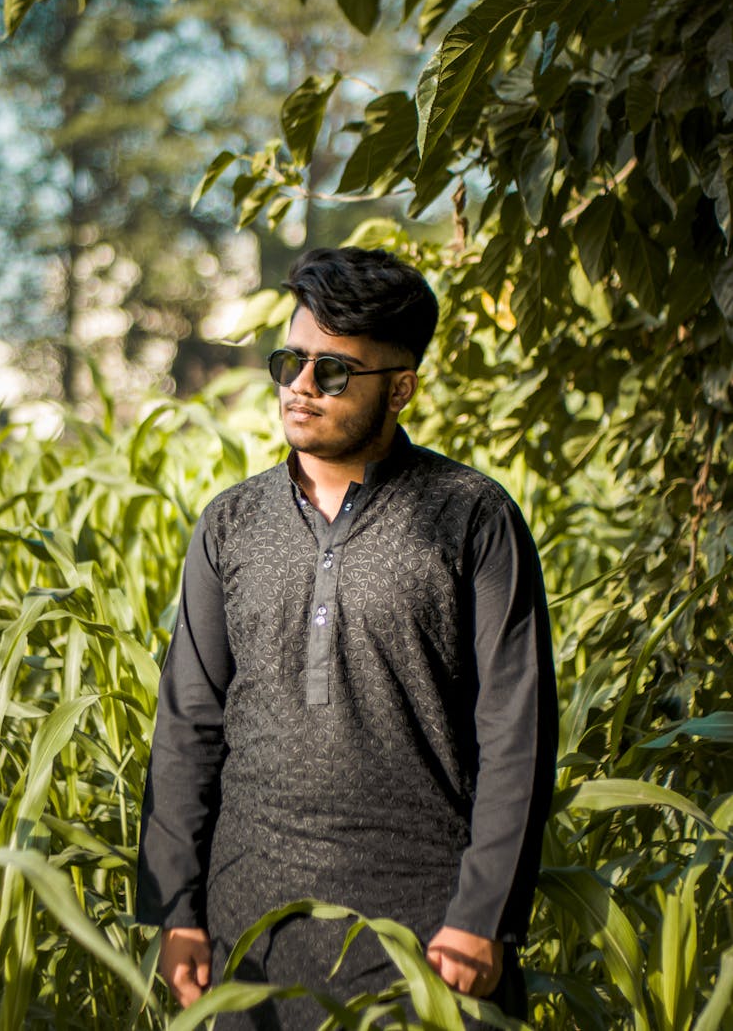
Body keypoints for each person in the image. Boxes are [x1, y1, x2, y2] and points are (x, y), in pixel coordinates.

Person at [136, 246, 558, 1029]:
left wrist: (483, 914)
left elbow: (517, 733)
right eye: (290, 360)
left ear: (400, 388)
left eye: (333, 372)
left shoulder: (471, 517)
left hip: (422, 944)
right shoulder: (229, 525)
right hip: (246, 941)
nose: (300, 386)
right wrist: (174, 907)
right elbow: (188, 725)